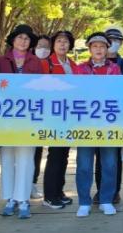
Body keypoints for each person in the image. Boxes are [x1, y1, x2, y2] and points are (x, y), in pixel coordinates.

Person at [0, 24, 43, 219]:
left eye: (27, 38)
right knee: (7, 156)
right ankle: (10, 198)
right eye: (20, 37)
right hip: (5, 117)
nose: (23, 41)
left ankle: (23, 199)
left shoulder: (36, 62)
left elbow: (42, 88)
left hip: (28, 117)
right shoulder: (0, 61)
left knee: (26, 157)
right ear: (13, 40)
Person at [75, 32, 121, 217]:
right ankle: (84, 201)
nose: (99, 49)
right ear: (89, 49)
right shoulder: (80, 69)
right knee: (84, 164)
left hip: (108, 123)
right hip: (85, 124)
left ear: (107, 49)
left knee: (109, 164)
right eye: (95, 46)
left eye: (102, 46)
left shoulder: (115, 68)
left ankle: (106, 200)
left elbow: (119, 92)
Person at [92, 27, 123, 205]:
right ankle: (100, 190)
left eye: (117, 41)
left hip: (117, 115)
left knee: (115, 156)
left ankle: (115, 190)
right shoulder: (92, 64)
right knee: (99, 156)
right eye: (111, 40)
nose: (114, 44)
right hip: (96, 116)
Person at [41, 31, 79, 209]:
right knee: (55, 154)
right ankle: (49, 195)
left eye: (66, 42)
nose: (62, 44)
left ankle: (59, 191)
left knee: (64, 155)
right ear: (53, 44)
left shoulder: (73, 64)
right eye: (59, 41)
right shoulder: (46, 63)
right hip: (53, 115)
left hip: (69, 115)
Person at [31, 34, 53, 200]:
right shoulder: (28, 62)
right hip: (29, 113)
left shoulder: (52, 64)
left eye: (46, 47)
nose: (43, 49)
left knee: (37, 150)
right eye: (40, 46)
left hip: (48, 114)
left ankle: (33, 183)